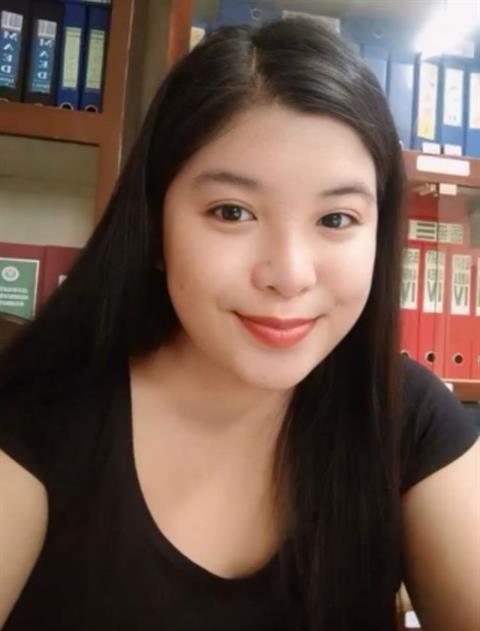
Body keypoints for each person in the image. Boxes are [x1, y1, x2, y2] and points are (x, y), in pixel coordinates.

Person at [0, 17, 478, 631]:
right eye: (232, 212)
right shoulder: (37, 417)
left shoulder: (406, 415)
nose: (290, 275)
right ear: (154, 226)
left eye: (336, 219)